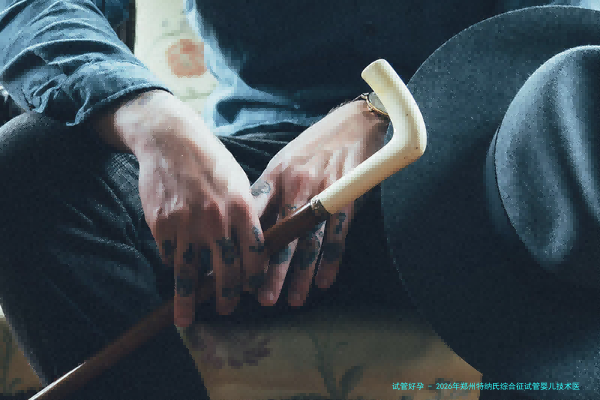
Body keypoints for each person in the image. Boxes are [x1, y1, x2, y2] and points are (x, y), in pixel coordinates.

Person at [0, 1, 592, 399]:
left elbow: (572, 45)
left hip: (495, 175)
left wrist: (382, 111)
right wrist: (154, 119)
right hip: (261, 189)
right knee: (29, 166)